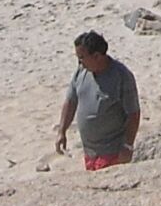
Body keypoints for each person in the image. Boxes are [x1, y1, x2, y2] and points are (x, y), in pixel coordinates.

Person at [56, 31, 140, 170]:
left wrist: (127, 146)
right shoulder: (81, 72)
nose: (79, 62)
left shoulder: (122, 76)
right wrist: (61, 131)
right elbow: (70, 101)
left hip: (112, 153)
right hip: (89, 152)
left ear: (97, 56)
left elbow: (133, 114)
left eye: (82, 57)